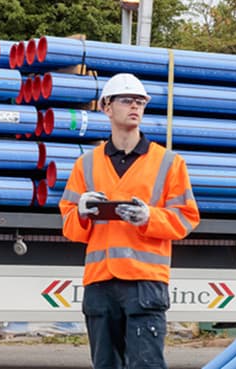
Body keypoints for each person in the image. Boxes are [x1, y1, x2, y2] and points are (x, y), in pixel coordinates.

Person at [59, 73, 200, 369]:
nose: (135, 106)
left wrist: (150, 216)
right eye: (127, 101)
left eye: (140, 102)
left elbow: (186, 218)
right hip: (100, 282)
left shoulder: (169, 163)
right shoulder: (86, 164)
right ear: (106, 108)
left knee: (146, 364)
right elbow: (70, 225)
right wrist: (82, 212)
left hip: (144, 283)